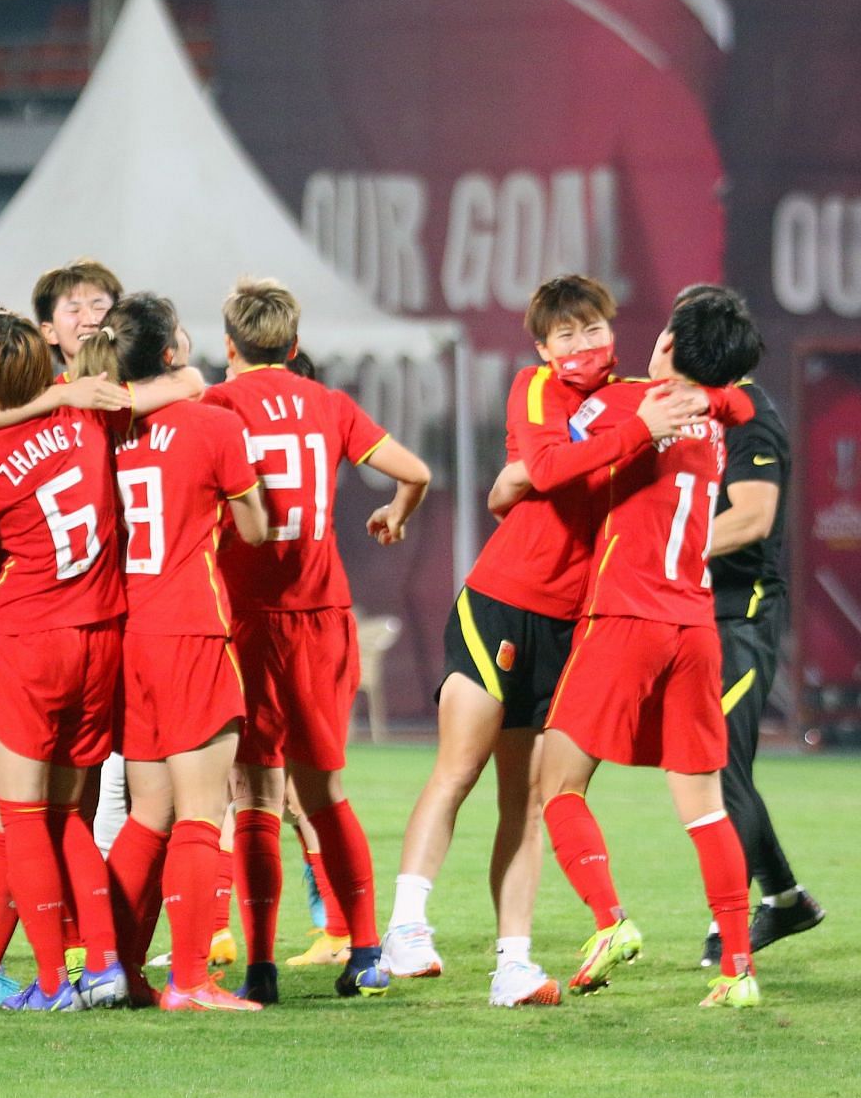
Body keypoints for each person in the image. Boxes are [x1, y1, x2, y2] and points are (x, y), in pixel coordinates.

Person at [382, 275, 707, 1006]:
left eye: (594, 330)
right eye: (567, 335)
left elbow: (536, 480)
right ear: (541, 347)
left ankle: (514, 965)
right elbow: (553, 468)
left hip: (571, 623)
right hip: (500, 601)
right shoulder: (536, 387)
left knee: (525, 801)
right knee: (457, 769)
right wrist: (626, 436)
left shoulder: (637, 399)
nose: (584, 345)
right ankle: (406, 925)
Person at [0, 307, 201, 1011]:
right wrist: (64, 396)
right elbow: (186, 381)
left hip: (28, 639)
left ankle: (57, 981)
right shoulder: (91, 418)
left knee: (21, 816)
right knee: (66, 817)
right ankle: (106, 968)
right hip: (100, 640)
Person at [530, 287, 766, 1009]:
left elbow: (550, 460)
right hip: (694, 624)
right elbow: (743, 405)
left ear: (667, 344)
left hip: (625, 616)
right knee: (702, 806)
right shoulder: (721, 421)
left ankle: (610, 921)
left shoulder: (627, 404)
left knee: (556, 782)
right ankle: (737, 969)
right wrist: (717, 397)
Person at [201, 277, 430, 1003]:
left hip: (247, 616)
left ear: (228, 347)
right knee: (325, 793)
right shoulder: (327, 405)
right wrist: (395, 513)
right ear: (296, 346)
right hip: (322, 614)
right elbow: (414, 473)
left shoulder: (217, 405)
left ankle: (261, 968)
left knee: (255, 796)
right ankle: (365, 952)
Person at [78, 295, 271, 1012]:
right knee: (200, 809)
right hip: (192, 627)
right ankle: (191, 979)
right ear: (167, 353)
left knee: (149, 809)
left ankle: (117, 970)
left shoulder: (102, 431)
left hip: (129, 632)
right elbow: (254, 529)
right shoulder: (215, 424)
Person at [683, 286, 822, 966]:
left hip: (741, 619)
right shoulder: (701, 411)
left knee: (719, 769)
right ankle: (787, 901)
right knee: (721, 767)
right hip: (696, 614)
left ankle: (728, 933)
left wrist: (671, 544)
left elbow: (752, 517)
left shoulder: (752, 422)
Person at [32, 258, 121, 373]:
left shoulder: (145, 387)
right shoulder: (49, 391)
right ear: (50, 332)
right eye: (74, 310)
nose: (90, 320)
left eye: (99, 307)